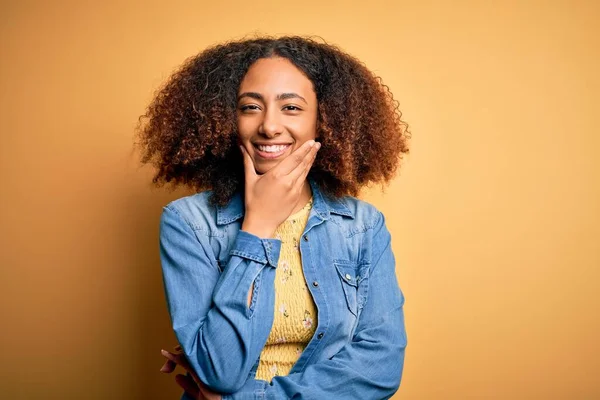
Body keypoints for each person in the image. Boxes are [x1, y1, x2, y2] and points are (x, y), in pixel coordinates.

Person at [137, 36, 410, 400]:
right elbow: (220, 371)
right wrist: (258, 227)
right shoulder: (189, 223)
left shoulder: (361, 226)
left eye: (291, 108)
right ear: (225, 118)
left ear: (324, 121)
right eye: (250, 107)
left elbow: (380, 368)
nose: (268, 126)